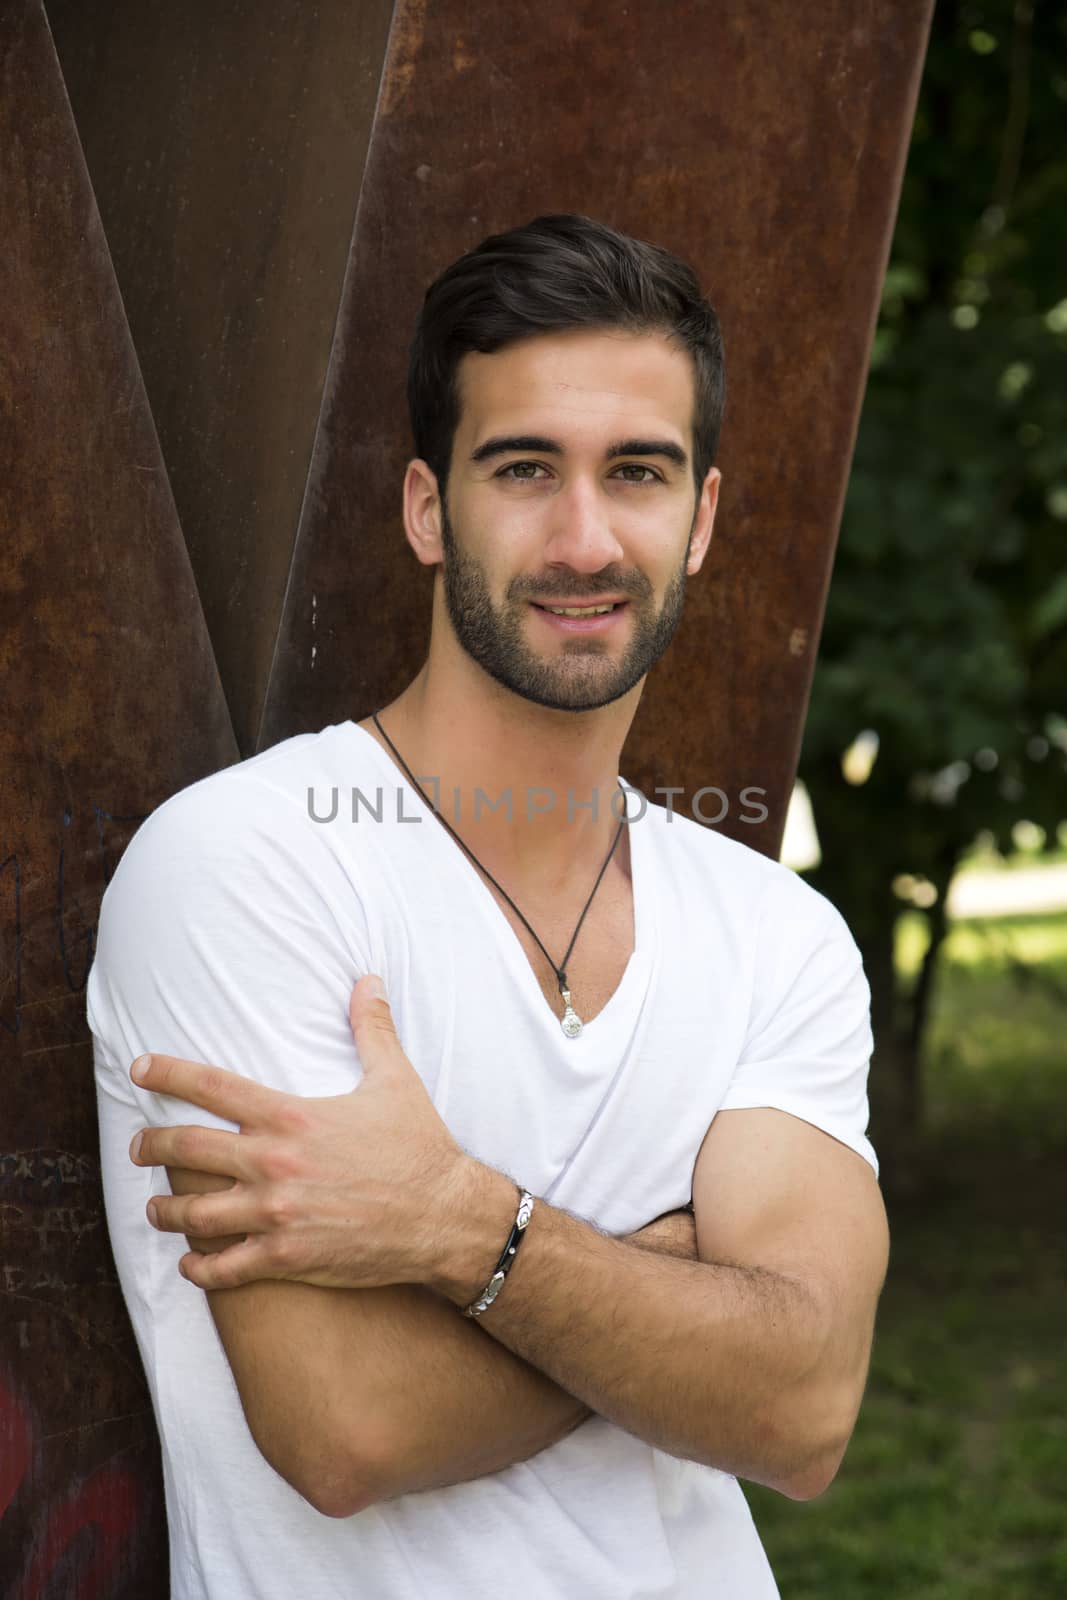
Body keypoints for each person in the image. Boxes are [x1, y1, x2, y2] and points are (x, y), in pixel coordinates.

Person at [88, 213, 889, 1600]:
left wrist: (461, 1224)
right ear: (424, 506)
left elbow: (805, 1413)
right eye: (524, 469)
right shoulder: (247, 868)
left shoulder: (778, 938)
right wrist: (688, 1283)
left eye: (636, 472)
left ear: (699, 519)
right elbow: (348, 1424)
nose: (584, 537)